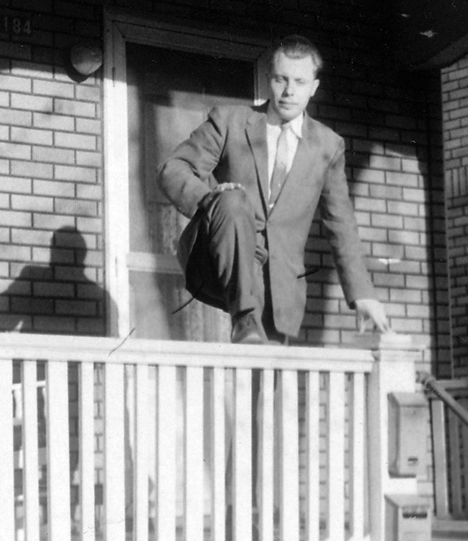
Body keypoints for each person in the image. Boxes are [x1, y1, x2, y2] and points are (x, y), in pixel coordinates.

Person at [158, 35, 389, 344]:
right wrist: (209, 198)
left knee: (266, 386)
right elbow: (173, 168)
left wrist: (362, 295)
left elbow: (341, 224)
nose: (289, 91)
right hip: (220, 260)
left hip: (281, 285)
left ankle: (250, 322)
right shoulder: (231, 122)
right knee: (231, 199)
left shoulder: (328, 146)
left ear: (314, 88)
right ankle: (244, 316)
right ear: (269, 79)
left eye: (299, 81)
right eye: (281, 79)